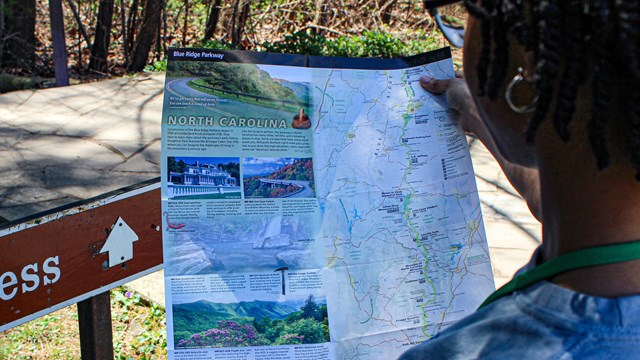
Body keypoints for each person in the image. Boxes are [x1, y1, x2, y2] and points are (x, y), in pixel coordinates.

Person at [400, 0, 640, 358]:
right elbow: (567, 201)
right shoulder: (606, 223)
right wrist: (477, 114)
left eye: (465, 17)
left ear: (527, 71)